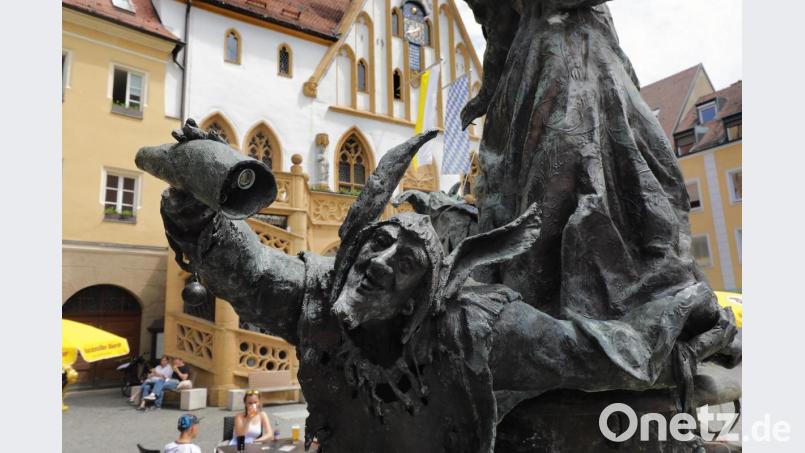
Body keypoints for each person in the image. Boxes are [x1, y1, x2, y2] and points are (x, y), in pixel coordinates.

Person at [153, 123, 737, 452]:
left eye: (407, 261)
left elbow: (595, 353)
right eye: (379, 242)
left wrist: (686, 313)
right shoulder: (317, 295)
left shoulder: (473, 330)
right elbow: (249, 271)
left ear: (421, 297)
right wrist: (193, 203)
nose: (381, 262)